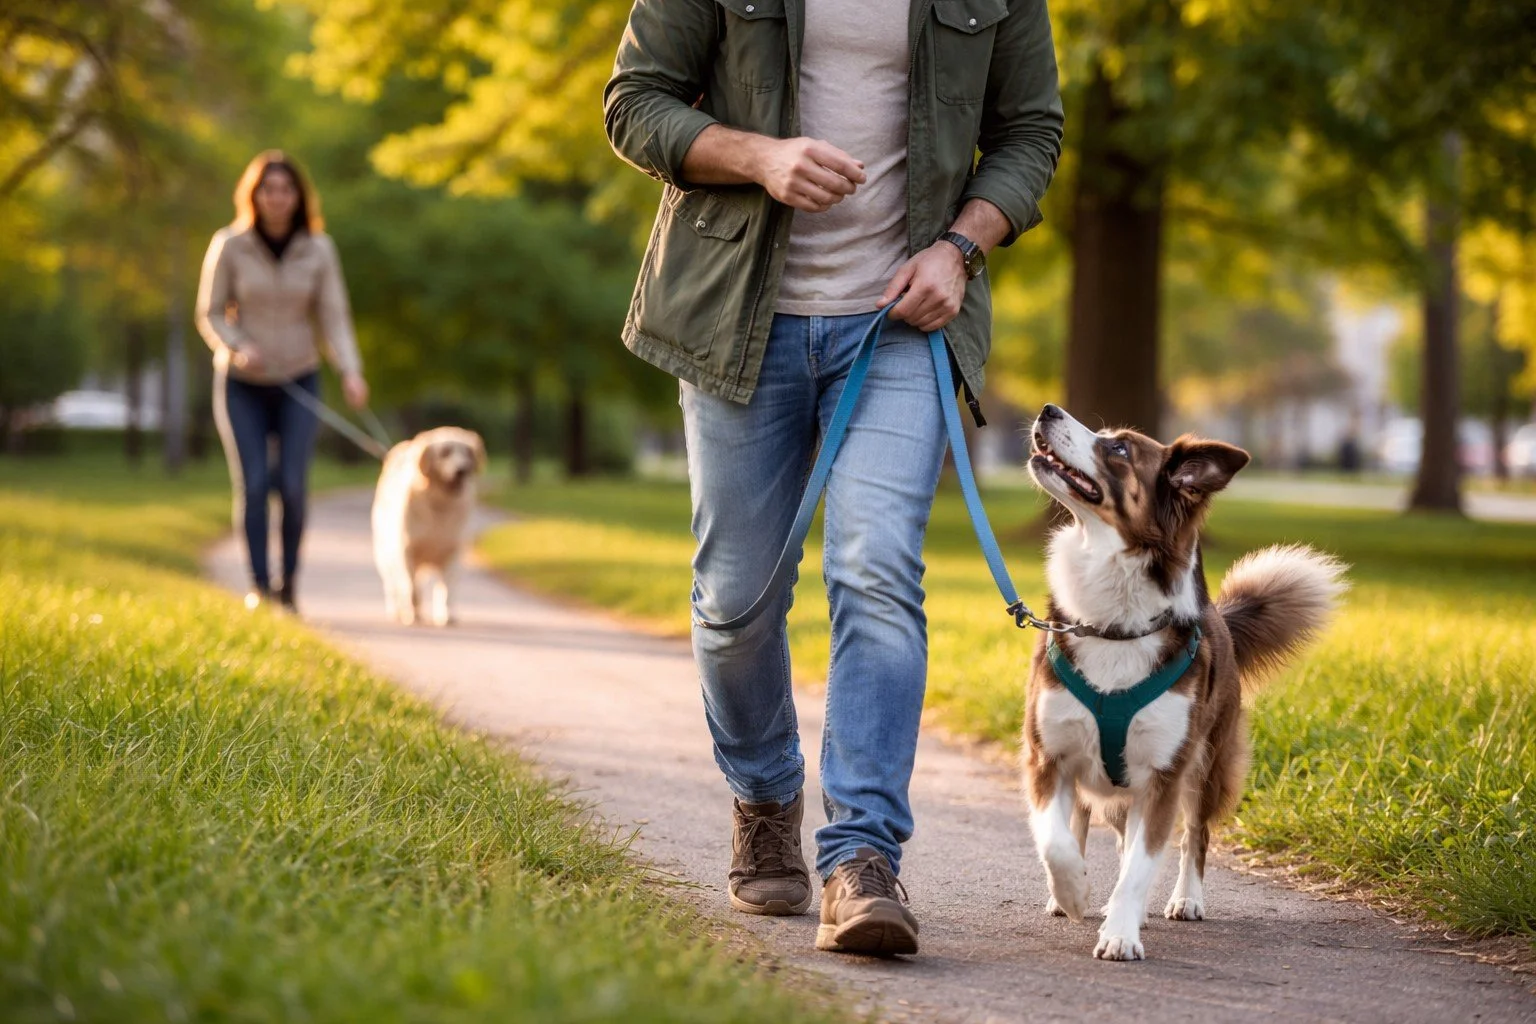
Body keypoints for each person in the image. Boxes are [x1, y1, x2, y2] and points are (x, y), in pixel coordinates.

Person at [604, 0, 1062, 955]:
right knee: (736, 602)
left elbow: (1030, 134)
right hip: (739, 316)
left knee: (877, 568)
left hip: (902, 322)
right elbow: (635, 105)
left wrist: (962, 247)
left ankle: (861, 858)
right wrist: (759, 156)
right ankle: (766, 794)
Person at [195, 150, 369, 613]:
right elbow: (209, 313)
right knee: (253, 483)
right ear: (253, 194)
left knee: (292, 485)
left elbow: (334, 316)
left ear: (298, 196)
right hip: (241, 382)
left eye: (285, 189)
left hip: (299, 377)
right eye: (267, 189)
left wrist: (351, 370)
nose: (276, 197)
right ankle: (258, 586)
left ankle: (288, 584)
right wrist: (235, 345)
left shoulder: (319, 249)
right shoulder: (230, 244)